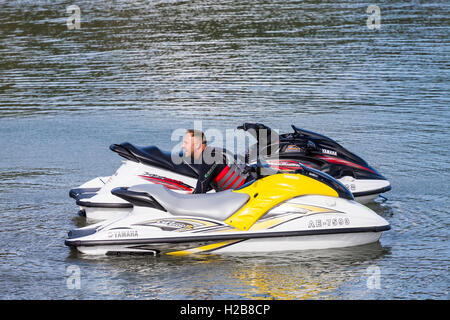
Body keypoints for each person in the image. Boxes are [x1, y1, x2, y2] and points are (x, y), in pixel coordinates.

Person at [181, 129, 252, 194]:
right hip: (248, 186)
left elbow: (200, 192)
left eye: (186, 143)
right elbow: (211, 182)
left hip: (247, 193)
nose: (182, 146)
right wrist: (195, 191)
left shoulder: (208, 159)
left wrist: (192, 194)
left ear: (197, 145)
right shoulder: (213, 152)